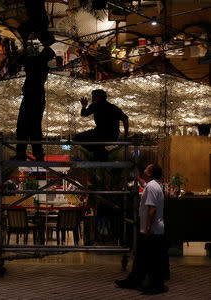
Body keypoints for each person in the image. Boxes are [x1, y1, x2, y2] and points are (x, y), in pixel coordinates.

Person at [115, 164, 168, 294]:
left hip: (151, 230)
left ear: (149, 173)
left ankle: (155, 286)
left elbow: (152, 209)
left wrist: (148, 228)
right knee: (141, 258)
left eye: (146, 169)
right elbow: (145, 185)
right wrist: (138, 178)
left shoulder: (151, 187)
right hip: (154, 229)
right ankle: (134, 281)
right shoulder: (154, 185)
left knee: (150, 260)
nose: (144, 170)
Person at [12, 46, 55, 161]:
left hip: (30, 98)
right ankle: (38, 153)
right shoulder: (44, 67)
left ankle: (21, 154)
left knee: (22, 126)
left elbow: (18, 60)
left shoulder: (33, 61)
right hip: (39, 98)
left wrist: (24, 49)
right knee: (35, 126)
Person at [74, 89, 129, 161]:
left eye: (93, 97)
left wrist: (84, 106)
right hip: (112, 136)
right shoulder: (113, 107)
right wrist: (125, 135)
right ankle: (100, 151)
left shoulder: (95, 105)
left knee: (77, 137)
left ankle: (100, 151)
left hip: (99, 133)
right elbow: (125, 119)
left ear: (99, 97)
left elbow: (84, 114)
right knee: (92, 142)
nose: (92, 99)